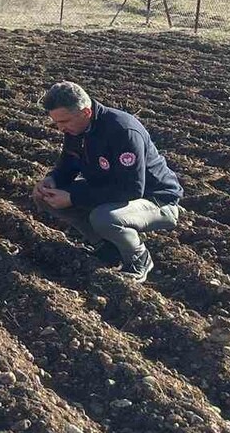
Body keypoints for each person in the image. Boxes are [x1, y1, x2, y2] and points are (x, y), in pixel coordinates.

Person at [32, 81, 182, 283]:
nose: (60, 128)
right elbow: (68, 164)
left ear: (85, 112)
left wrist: (74, 197)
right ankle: (108, 248)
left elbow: (131, 189)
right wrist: (52, 180)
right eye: (56, 122)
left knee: (104, 218)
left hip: (156, 199)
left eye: (64, 121)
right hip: (109, 190)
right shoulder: (76, 131)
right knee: (44, 196)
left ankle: (138, 259)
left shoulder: (122, 131)